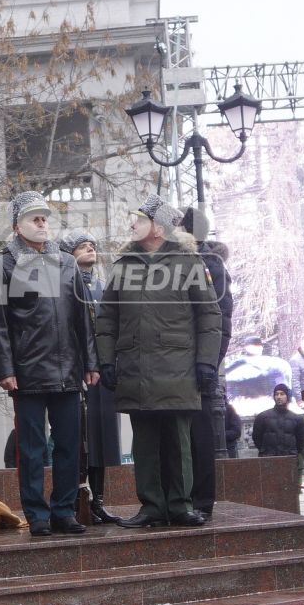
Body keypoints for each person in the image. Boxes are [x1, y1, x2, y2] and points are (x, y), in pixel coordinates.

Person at [94, 197, 221, 528]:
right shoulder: (123, 266)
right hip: (136, 368)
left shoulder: (189, 263)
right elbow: (106, 318)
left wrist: (207, 363)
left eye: (139, 219)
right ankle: (151, 505)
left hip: (179, 367)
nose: (133, 224)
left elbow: (209, 316)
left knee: (179, 441)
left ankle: (179, 504)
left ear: (158, 227)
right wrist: (107, 361)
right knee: (145, 441)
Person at [0, 192, 99, 537]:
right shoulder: (2, 262)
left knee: (69, 445)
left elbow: (83, 317)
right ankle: (36, 514)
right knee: (32, 449)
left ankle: (63, 511)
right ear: (18, 225)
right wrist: (4, 368)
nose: (42, 223)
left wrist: (91, 362)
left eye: (45, 218)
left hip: (68, 371)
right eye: (35, 218)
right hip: (28, 372)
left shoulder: (66, 262)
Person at [61, 228, 123, 523]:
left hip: (102, 373)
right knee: (78, 440)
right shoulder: (64, 285)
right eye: (82, 246)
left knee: (102, 441)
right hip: (76, 371)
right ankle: (76, 500)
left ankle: (97, 500)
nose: (90, 249)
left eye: (92, 245)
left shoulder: (102, 286)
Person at [182, 208, 234, 515]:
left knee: (201, 434)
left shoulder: (211, 264)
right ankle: (179, 499)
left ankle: (201, 501)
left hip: (201, 362)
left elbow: (220, 319)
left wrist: (210, 362)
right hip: (173, 361)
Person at [251, 383, 304, 467]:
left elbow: (301, 442)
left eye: (282, 394)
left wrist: (293, 453)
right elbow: (256, 438)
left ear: (287, 396)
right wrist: (265, 451)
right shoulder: (262, 417)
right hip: (268, 461)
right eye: (276, 394)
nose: (279, 397)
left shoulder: (297, 419)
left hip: (289, 461)